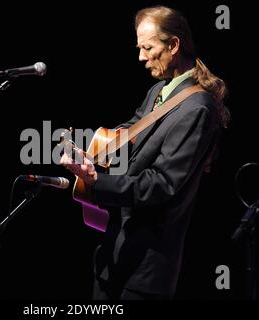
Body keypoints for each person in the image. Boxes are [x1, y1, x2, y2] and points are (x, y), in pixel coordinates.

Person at [60, 5, 229, 300]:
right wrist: (91, 152)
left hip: (145, 270)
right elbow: (128, 134)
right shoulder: (159, 92)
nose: (140, 57)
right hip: (113, 256)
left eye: (148, 47)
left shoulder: (197, 109)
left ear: (174, 45)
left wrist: (97, 181)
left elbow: (161, 184)